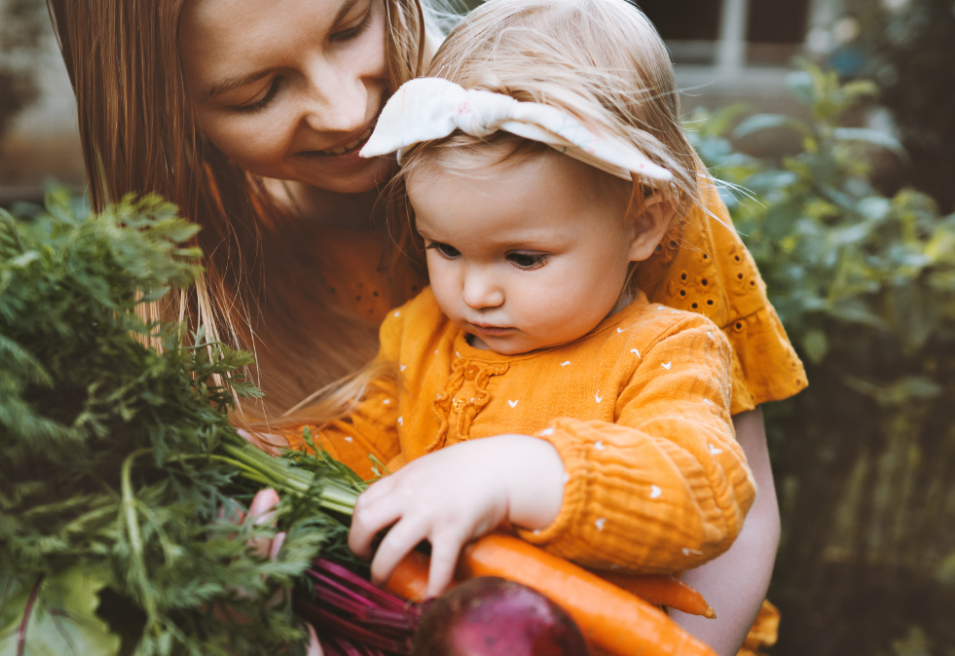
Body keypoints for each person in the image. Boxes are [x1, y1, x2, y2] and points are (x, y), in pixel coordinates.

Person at [46, 0, 805, 651]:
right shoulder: (402, 331)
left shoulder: (593, 152)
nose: (349, 110)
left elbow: (725, 493)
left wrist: (522, 474)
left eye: (349, 26)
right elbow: (353, 482)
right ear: (163, 105)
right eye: (258, 91)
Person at [277, 0, 753, 602]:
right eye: (444, 248)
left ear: (641, 225)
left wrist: (517, 474)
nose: (474, 293)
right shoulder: (419, 331)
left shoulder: (663, 351)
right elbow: (364, 448)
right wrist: (282, 475)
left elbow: (705, 491)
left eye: (524, 258)